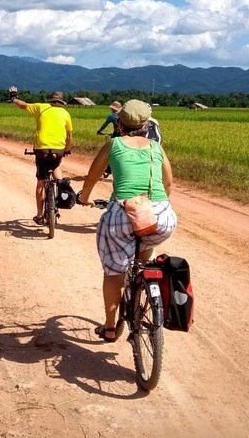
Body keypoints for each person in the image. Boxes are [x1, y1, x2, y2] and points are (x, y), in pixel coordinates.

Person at [77, 99, 177, 342]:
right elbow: (169, 183)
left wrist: (84, 198)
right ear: (146, 124)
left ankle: (110, 327)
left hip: (122, 215)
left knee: (113, 273)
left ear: (119, 122)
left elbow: (92, 177)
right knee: (145, 243)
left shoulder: (114, 144)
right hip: (161, 216)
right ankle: (142, 284)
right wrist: (156, 205)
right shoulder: (156, 147)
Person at [8, 86, 73, 224]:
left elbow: (22, 105)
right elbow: (69, 136)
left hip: (42, 150)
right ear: (61, 102)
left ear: (50, 100)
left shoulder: (41, 107)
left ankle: (39, 215)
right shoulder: (65, 113)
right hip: (58, 150)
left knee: (41, 182)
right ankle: (61, 187)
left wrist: (14, 98)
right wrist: (66, 150)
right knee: (56, 165)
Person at [97, 101, 123, 178]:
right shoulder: (123, 116)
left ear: (112, 109)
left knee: (110, 153)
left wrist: (99, 131)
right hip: (125, 136)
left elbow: (105, 125)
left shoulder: (112, 117)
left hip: (116, 136)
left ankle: (107, 171)